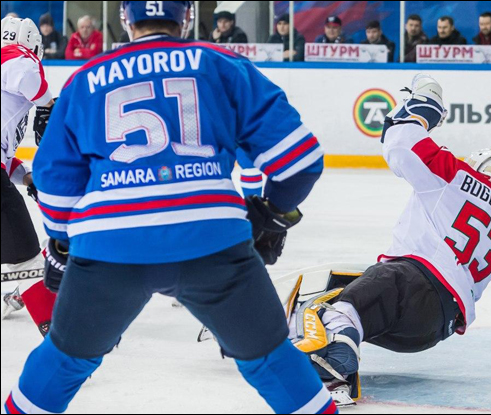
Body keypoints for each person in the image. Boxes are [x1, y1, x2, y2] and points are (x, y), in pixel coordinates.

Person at [2, 2, 336, 414]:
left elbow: (55, 186)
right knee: (272, 360)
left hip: (111, 245)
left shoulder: (86, 78)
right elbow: (300, 162)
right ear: (188, 16)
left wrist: (62, 243)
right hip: (213, 241)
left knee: (63, 361)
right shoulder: (223, 64)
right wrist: (272, 215)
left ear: (125, 18)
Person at [286, 75, 491, 405]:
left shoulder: (456, 176)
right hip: (431, 330)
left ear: (476, 168)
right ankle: (332, 355)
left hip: (408, 282)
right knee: (353, 311)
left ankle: (332, 353)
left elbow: (402, 141)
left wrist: (425, 96)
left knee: (340, 308)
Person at [1, 16, 58, 335]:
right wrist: (49, 103)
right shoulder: (17, 60)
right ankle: (61, 348)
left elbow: (6, 159)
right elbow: (22, 68)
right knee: (26, 262)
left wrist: (26, 177)